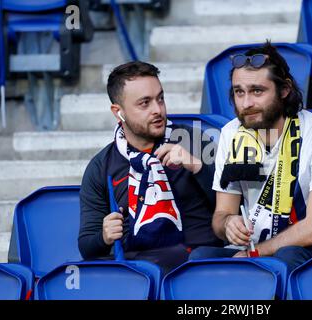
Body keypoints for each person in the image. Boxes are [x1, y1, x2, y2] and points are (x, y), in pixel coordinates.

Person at [189, 41, 312, 271]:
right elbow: (222, 214)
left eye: (257, 91)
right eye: (239, 92)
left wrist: (256, 253)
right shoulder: (231, 133)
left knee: (286, 257)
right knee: (200, 259)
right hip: (256, 249)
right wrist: (228, 224)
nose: (246, 103)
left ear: (284, 90)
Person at [78, 61, 222, 274]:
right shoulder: (101, 166)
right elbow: (86, 246)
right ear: (119, 112)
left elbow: (234, 209)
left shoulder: (195, 141)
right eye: (144, 103)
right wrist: (104, 236)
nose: (158, 110)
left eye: (160, 99)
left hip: (196, 263)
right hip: (137, 270)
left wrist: (197, 167)